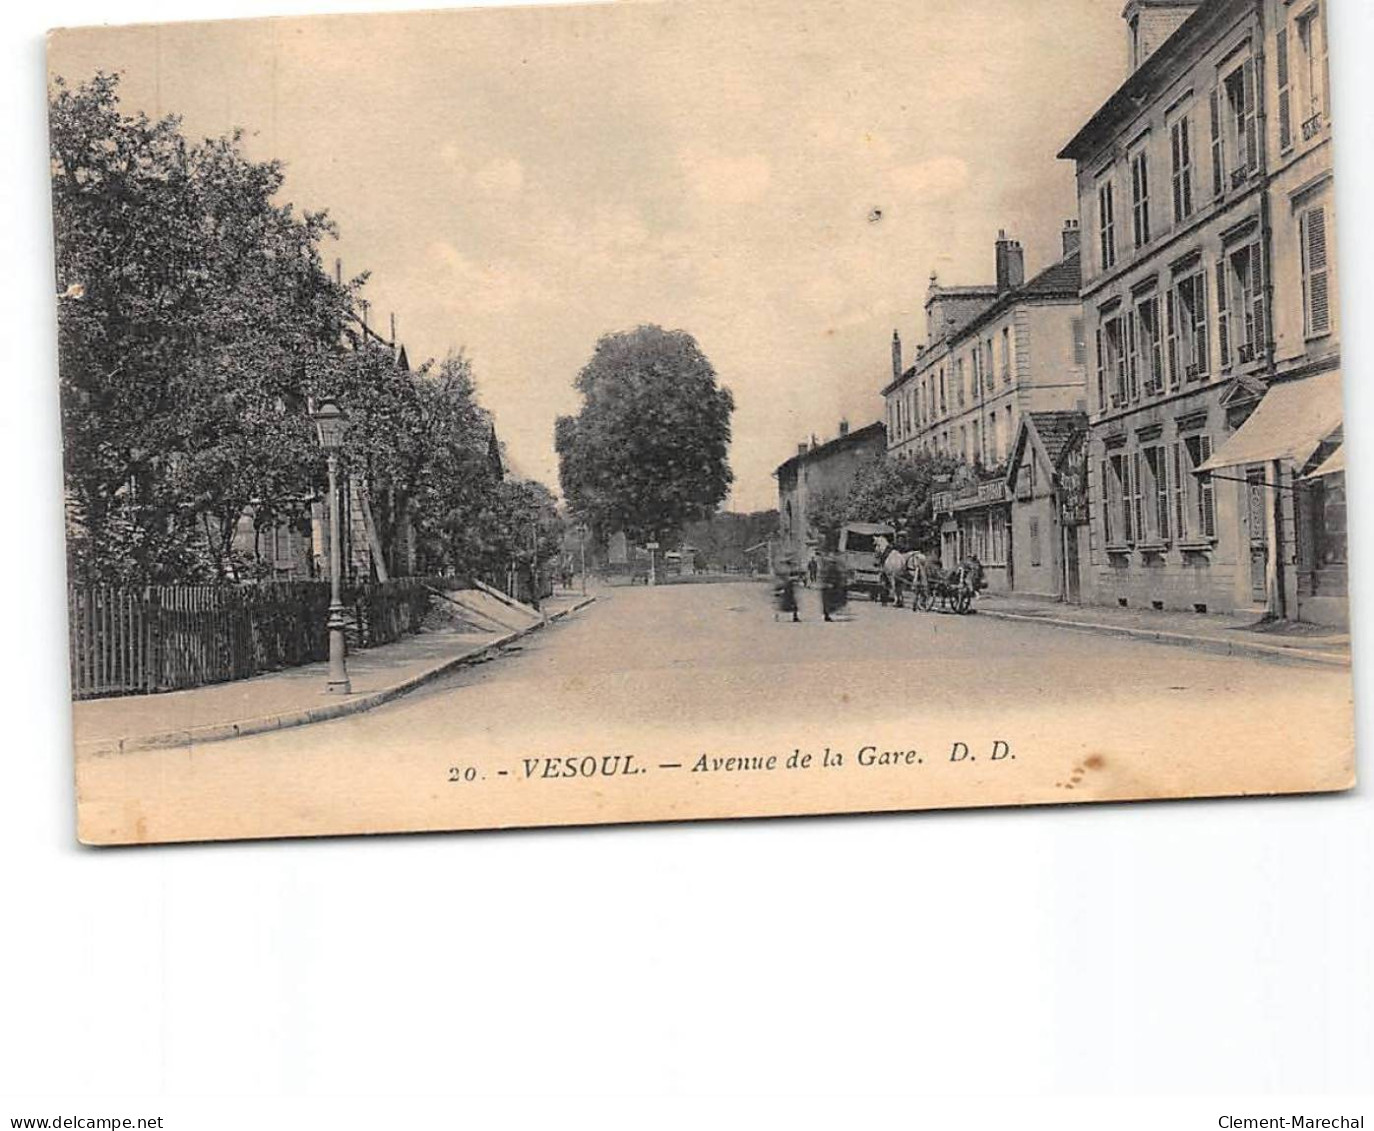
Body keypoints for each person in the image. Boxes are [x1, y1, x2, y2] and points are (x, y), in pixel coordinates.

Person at [820, 551, 848, 622]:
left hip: (827, 586)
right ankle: (827, 615)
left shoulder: (827, 567)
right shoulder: (831, 567)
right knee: (829, 601)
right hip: (829, 586)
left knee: (827, 601)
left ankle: (827, 614)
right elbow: (831, 576)